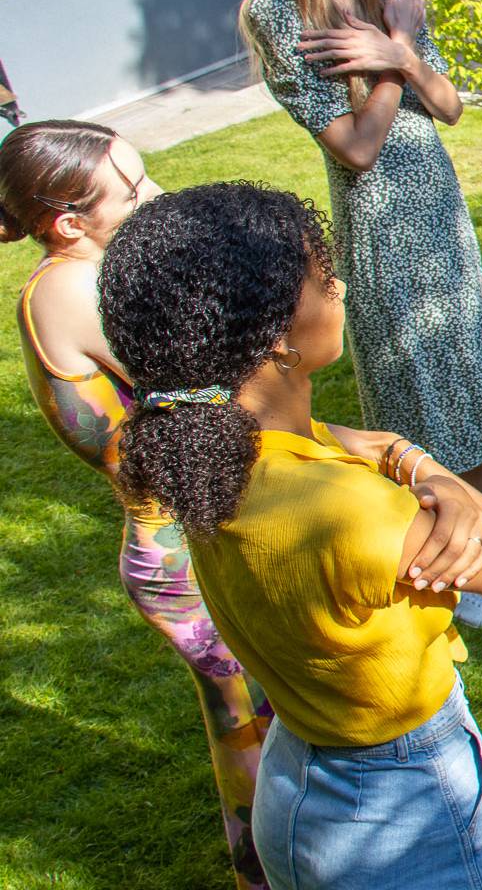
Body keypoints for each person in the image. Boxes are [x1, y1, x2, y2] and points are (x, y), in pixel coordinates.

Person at [96, 182, 482, 890]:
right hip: (405, 811)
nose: (339, 288)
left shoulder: (213, 455)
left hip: (303, 776)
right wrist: (414, 460)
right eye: (322, 276)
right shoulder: (347, 508)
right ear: (277, 333)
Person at [239, 0, 482, 629]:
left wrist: (402, 54)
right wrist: (394, 55)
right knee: (421, 396)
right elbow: (356, 146)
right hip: (380, 220)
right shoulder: (277, 13)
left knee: (468, 380)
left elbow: (446, 105)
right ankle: (457, 578)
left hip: (438, 209)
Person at [2, 122, 272, 889]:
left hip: (189, 529)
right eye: (134, 190)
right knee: (248, 717)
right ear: (67, 222)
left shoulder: (88, 275)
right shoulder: (73, 291)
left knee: (252, 711)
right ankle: (272, 869)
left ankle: (276, 863)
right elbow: (213, 378)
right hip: (182, 550)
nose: (155, 196)